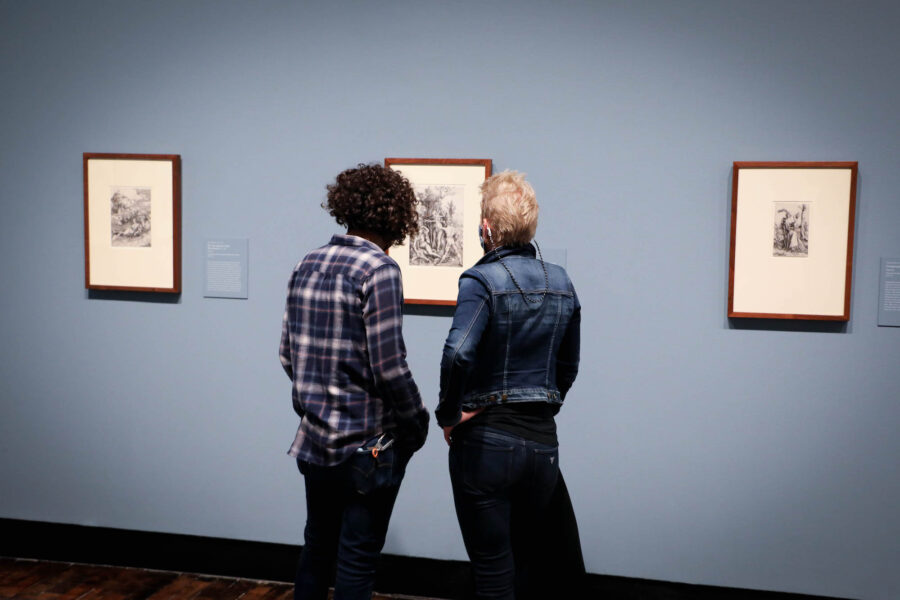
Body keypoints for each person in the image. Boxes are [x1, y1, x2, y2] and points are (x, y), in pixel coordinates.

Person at [280, 163, 429, 600]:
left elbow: (287, 354)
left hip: (314, 440)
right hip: (367, 445)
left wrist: (314, 404)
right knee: (357, 559)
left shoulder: (306, 263)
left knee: (317, 547)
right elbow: (390, 367)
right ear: (396, 216)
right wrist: (416, 423)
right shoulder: (379, 269)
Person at [437, 170, 583, 599]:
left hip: (487, 446)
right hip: (543, 446)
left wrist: (449, 415)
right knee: (528, 562)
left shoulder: (480, 280)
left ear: (487, 227)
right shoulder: (562, 282)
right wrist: (542, 406)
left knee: (493, 573)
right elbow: (568, 366)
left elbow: (457, 352)